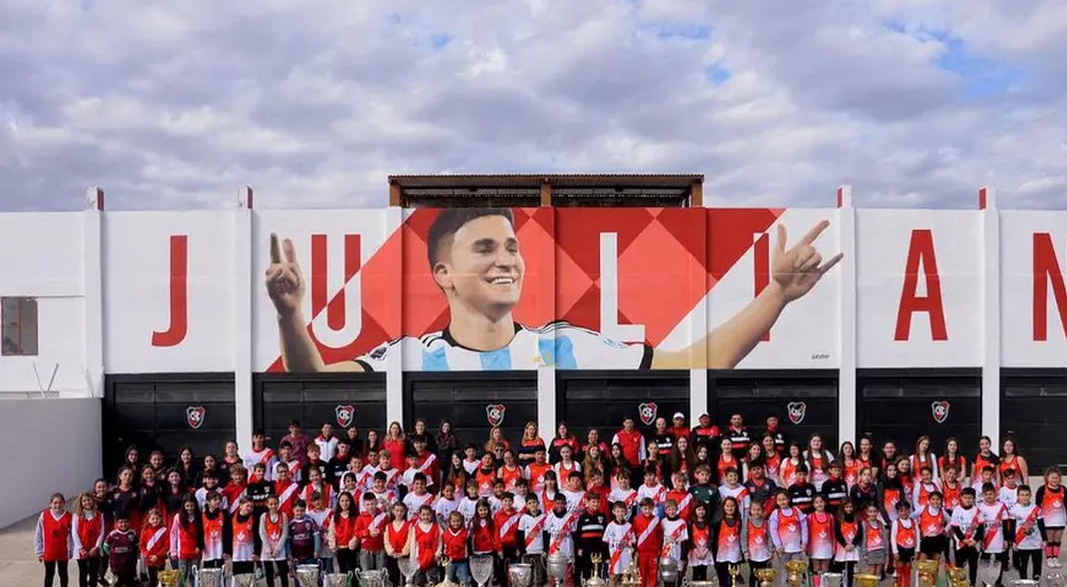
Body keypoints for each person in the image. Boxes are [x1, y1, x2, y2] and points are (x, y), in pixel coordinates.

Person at [267, 210, 841, 371]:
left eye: (512, 246)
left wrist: (775, 296)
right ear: (442, 274)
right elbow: (313, 385)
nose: (507, 260)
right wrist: (291, 315)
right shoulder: (411, 357)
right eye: (485, 249)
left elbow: (698, 363)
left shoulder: (567, 345)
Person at [35, 493, 74, 587]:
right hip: (49, 552)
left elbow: (72, 535)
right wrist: (39, 551)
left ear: (64, 503)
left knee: (63, 574)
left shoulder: (69, 516)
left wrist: (72, 549)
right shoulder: (44, 516)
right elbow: (38, 534)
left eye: (60, 502)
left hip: (63, 551)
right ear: (50, 504)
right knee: (49, 575)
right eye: (55, 503)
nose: (58, 505)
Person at [1010, 485, 1046, 587]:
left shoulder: (1036, 509)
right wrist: (1013, 541)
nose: (1024, 497)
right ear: (1018, 496)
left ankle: (1036, 586)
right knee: (1023, 565)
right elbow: (1011, 527)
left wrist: (1044, 539)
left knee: (1037, 565)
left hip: (1036, 542)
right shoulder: (1014, 510)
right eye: (1022, 495)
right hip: (1022, 543)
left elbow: (1041, 525)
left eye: (1027, 495)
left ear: (1030, 495)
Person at [1036, 467, 1067, 569]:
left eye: (1056, 478)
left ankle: (1055, 558)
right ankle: (1049, 558)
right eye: (1052, 478)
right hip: (1047, 519)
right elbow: (1037, 505)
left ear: (1059, 479)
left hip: (1060, 519)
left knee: (1057, 540)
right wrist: (1036, 518)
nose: (1054, 480)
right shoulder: (1042, 489)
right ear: (1047, 478)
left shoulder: (1063, 489)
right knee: (1049, 540)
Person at [72, 493, 106, 587]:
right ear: (81, 503)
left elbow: (101, 532)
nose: (87, 503)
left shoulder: (99, 515)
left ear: (93, 500)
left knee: (93, 573)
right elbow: (74, 533)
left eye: (89, 500)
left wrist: (96, 547)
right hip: (82, 549)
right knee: (83, 573)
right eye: (84, 501)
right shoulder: (76, 516)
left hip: (94, 549)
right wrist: (80, 548)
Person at [977, 483, 1010, 587]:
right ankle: (985, 583)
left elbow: (1005, 523)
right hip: (985, 539)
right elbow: (979, 526)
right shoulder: (979, 507)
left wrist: (1006, 539)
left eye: (991, 494)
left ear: (995, 494)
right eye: (986, 494)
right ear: (983, 495)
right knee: (984, 561)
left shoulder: (1001, 506)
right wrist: (980, 540)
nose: (989, 496)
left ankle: (998, 583)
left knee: (999, 561)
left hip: (999, 538)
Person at [949, 487, 983, 587]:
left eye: (970, 498)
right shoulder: (957, 510)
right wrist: (963, 539)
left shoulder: (977, 511)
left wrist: (975, 540)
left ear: (973, 499)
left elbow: (981, 528)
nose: (967, 500)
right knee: (960, 565)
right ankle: (960, 586)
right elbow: (955, 527)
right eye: (965, 497)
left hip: (973, 543)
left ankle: (972, 585)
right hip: (961, 543)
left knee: (973, 565)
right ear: (961, 498)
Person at [517, 494, 548, 587]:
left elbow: (546, 535)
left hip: (539, 550)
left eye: (534, 502)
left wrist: (546, 549)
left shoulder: (544, 517)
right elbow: (520, 535)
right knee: (528, 573)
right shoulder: (524, 518)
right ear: (526, 505)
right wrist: (521, 549)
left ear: (538, 503)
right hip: (528, 550)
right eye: (529, 503)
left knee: (540, 573)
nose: (532, 505)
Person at [139, 508, 170, 587]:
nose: (155, 521)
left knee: (161, 579)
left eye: (157, 519)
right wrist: (148, 555)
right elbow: (142, 545)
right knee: (152, 580)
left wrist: (158, 555)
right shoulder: (145, 531)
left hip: (159, 559)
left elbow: (166, 545)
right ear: (149, 520)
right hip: (150, 560)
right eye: (152, 519)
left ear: (161, 519)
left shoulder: (164, 531)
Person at [104, 516, 140, 587]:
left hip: (129, 564)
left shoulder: (132, 534)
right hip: (116, 565)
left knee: (129, 582)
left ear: (129, 523)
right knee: (117, 583)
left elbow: (137, 546)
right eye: (121, 523)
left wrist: (134, 556)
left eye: (125, 522)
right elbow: (105, 546)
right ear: (117, 524)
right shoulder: (113, 534)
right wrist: (111, 554)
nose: (123, 524)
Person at [260, 494, 291, 587]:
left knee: (283, 572)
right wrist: (268, 549)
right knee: (269, 573)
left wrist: (278, 549)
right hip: (267, 550)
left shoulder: (284, 516)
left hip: (279, 549)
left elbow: (285, 533)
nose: (273, 506)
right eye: (271, 504)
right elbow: (262, 533)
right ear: (267, 504)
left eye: (275, 504)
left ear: (279, 503)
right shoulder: (264, 516)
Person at [890, 500, 919, 587]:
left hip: (910, 548)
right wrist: (895, 552)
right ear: (898, 512)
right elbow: (893, 537)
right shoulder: (896, 523)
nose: (904, 512)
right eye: (901, 510)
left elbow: (917, 536)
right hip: (900, 548)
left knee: (907, 569)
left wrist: (917, 549)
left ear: (909, 511)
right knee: (899, 569)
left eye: (906, 510)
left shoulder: (914, 522)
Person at [769, 487, 806, 562]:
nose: (782, 502)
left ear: (788, 499)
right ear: (776, 501)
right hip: (783, 549)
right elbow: (773, 531)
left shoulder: (797, 511)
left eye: (784, 499)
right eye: (779, 500)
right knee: (784, 572)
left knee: (797, 571)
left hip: (797, 548)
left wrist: (804, 542)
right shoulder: (775, 513)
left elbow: (804, 527)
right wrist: (778, 545)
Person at [714, 497, 743, 587]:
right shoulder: (719, 520)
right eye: (727, 506)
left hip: (734, 550)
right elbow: (714, 533)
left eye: (732, 506)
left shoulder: (738, 519)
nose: (729, 508)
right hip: (722, 550)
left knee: (733, 570)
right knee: (722, 570)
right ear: (723, 507)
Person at [744, 500, 774, 587]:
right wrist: (745, 551)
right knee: (753, 574)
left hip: (763, 554)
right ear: (750, 511)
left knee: (762, 575)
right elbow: (743, 538)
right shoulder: (747, 523)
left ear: (762, 511)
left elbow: (769, 537)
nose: (756, 512)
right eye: (754, 510)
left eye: (758, 510)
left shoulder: (766, 523)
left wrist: (771, 550)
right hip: (752, 554)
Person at [603, 503, 634, 579]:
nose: (620, 514)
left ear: (626, 512)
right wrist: (606, 557)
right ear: (613, 512)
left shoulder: (629, 526)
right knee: (613, 578)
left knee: (626, 578)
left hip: (625, 557)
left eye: (622, 511)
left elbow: (633, 543)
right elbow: (605, 542)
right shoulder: (610, 526)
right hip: (614, 556)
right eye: (618, 511)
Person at [442, 511, 470, 587]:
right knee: (448, 579)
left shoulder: (465, 533)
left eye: (458, 521)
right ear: (450, 522)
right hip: (450, 561)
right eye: (453, 521)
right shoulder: (446, 533)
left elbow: (468, 545)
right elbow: (444, 547)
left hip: (462, 560)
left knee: (464, 579)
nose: (456, 523)